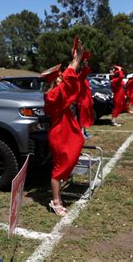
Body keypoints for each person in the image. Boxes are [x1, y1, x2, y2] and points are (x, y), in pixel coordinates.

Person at [42, 43, 84, 216]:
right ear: (54, 80)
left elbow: (71, 81)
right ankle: (55, 201)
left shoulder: (57, 92)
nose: (61, 78)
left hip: (66, 131)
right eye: (58, 77)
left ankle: (57, 196)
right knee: (58, 169)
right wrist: (76, 59)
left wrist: (78, 61)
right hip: (60, 134)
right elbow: (68, 80)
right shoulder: (51, 95)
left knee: (69, 158)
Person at [76, 53, 94, 139]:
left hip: (86, 100)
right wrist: (85, 64)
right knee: (82, 118)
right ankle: (81, 133)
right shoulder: (80, 77)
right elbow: (84, 72)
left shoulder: (84, 79)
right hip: (82, 101)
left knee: (86, 117)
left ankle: (84, 132)